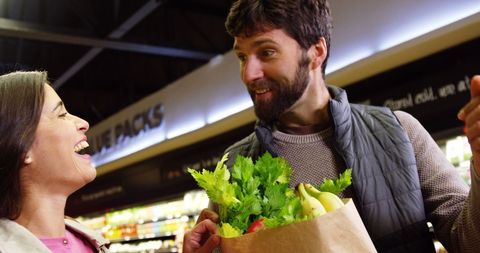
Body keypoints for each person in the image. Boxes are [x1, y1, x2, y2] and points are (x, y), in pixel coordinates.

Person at [191, 0, 480, 252]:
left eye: (266, 52)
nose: (249, 73)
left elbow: (468, 242)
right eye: (242, 57)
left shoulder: (400, 132)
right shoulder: (233, 166)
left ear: (316, 52)